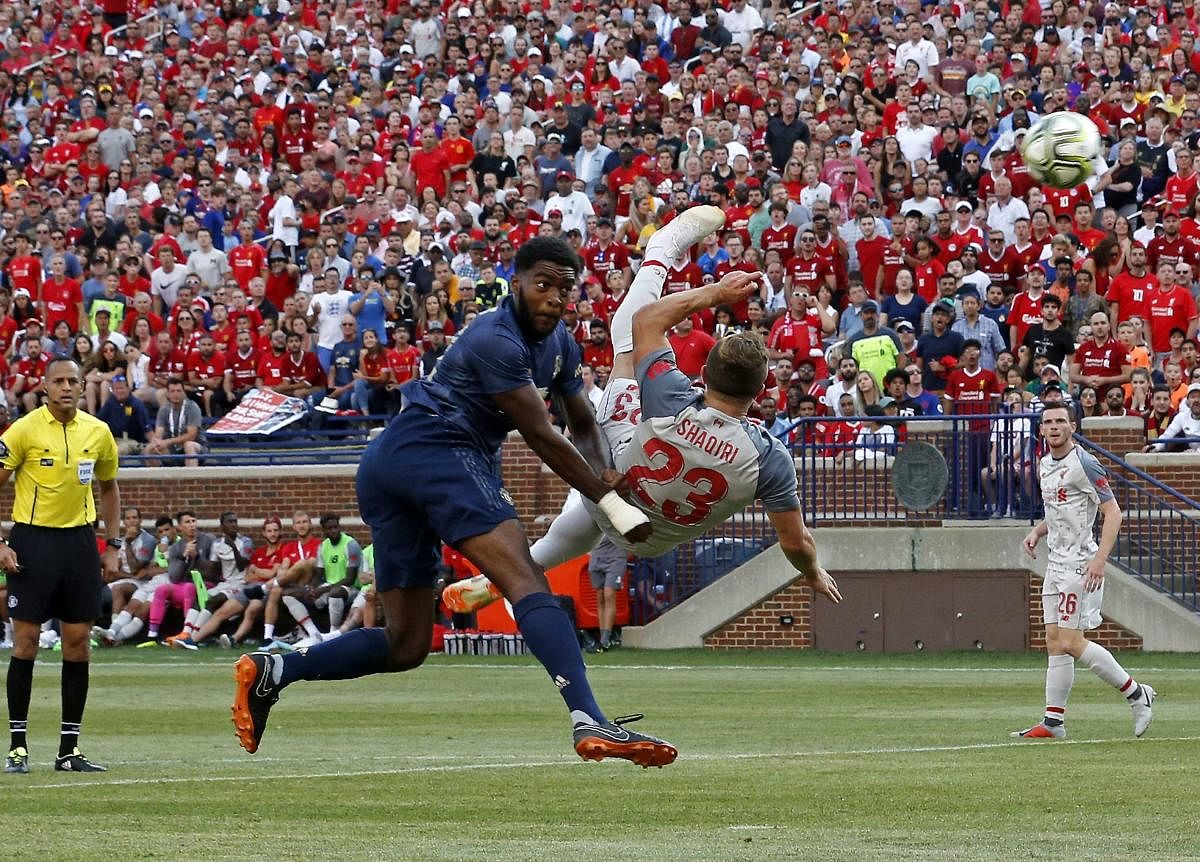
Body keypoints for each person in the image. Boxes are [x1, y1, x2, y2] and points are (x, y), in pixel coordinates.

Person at [232, 236, 678, 768]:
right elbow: (541, 434)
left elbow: (581, 421)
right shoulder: (496, 336)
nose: (555, 298)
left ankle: (274, 671)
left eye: (565, 288)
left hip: (394, 461)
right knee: (527, 582)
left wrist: (604, 468)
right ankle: (588, 717)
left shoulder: (560, 342)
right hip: (439, 448)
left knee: (406, 644)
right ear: (516, 283)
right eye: (544, 284)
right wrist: (611, 503)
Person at [446, 208, 841, 645]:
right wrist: (813, 571)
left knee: (624, 335)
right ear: (761, 389)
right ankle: (509, 574)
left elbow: (646, 320)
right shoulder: (769, 456)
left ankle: (661, 250)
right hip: (649, 538)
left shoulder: (673, 395)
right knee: (596, 515)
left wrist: (716, 292)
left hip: (612, 484)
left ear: (704, 374)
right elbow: (796, 542)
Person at [2, 357, 121, 774]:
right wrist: (1, 542)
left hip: (80, 543)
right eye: (59, 381)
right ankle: (17, 747)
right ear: (44, 386)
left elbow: (108, 488)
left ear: (83, 386)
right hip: (32, 542)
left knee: (77, 643)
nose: (67, 387)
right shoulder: (23, 430)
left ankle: (68, 751)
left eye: (74, 380)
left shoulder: (98, 432)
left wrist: (113, 543)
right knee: (26, 644)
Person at [1015, 404, 1155, 739]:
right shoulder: (1044, 463)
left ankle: (1137, 694)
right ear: (1041, 429)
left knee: (1071, 641)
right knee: (1054, 642)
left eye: (1060, 421)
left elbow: (1113, 512)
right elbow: (1061, 510)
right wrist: (1038, 531)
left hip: (1080, 565)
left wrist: (1099, 560)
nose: (1053, 427)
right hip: (1056, 563)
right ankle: (1053, 721)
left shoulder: (1085, 462)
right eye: (1047, 422)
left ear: (1072, 426)